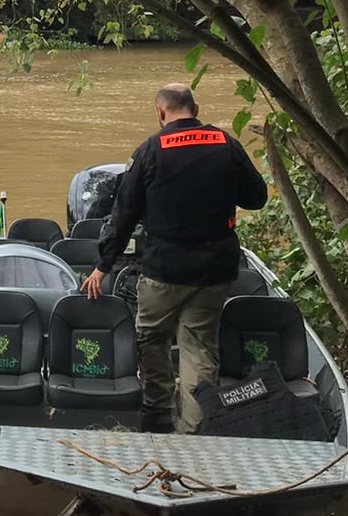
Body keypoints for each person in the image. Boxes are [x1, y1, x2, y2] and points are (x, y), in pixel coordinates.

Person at [81, 83, 266, 434]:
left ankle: (156, 420)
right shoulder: (227, 145)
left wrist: (103, 265)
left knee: (152, 340)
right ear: (195, 110)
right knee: (199, 349)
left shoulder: (151, 150)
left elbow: (123, 214)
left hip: (164, 269)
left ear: (160, 113)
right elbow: (257, 198)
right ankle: (196, 430)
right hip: (214, 270)